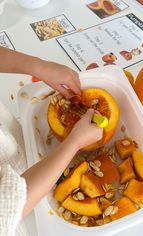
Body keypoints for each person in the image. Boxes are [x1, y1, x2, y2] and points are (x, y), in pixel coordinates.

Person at [0, 47, 103, 236]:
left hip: (20, 151)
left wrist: (38, 66)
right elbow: (8, 207)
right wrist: (74, 143)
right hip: (27, 210)